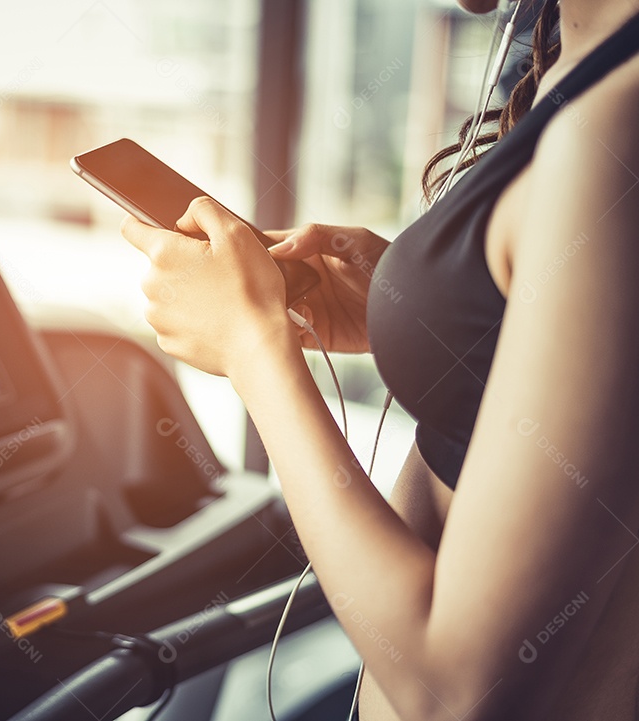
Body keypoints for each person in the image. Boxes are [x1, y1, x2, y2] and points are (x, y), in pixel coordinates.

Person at [120, 1, 639, 719]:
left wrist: (252, 348)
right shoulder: (567, 51)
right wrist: (439, 312)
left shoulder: (619, 125)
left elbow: (456, 688)